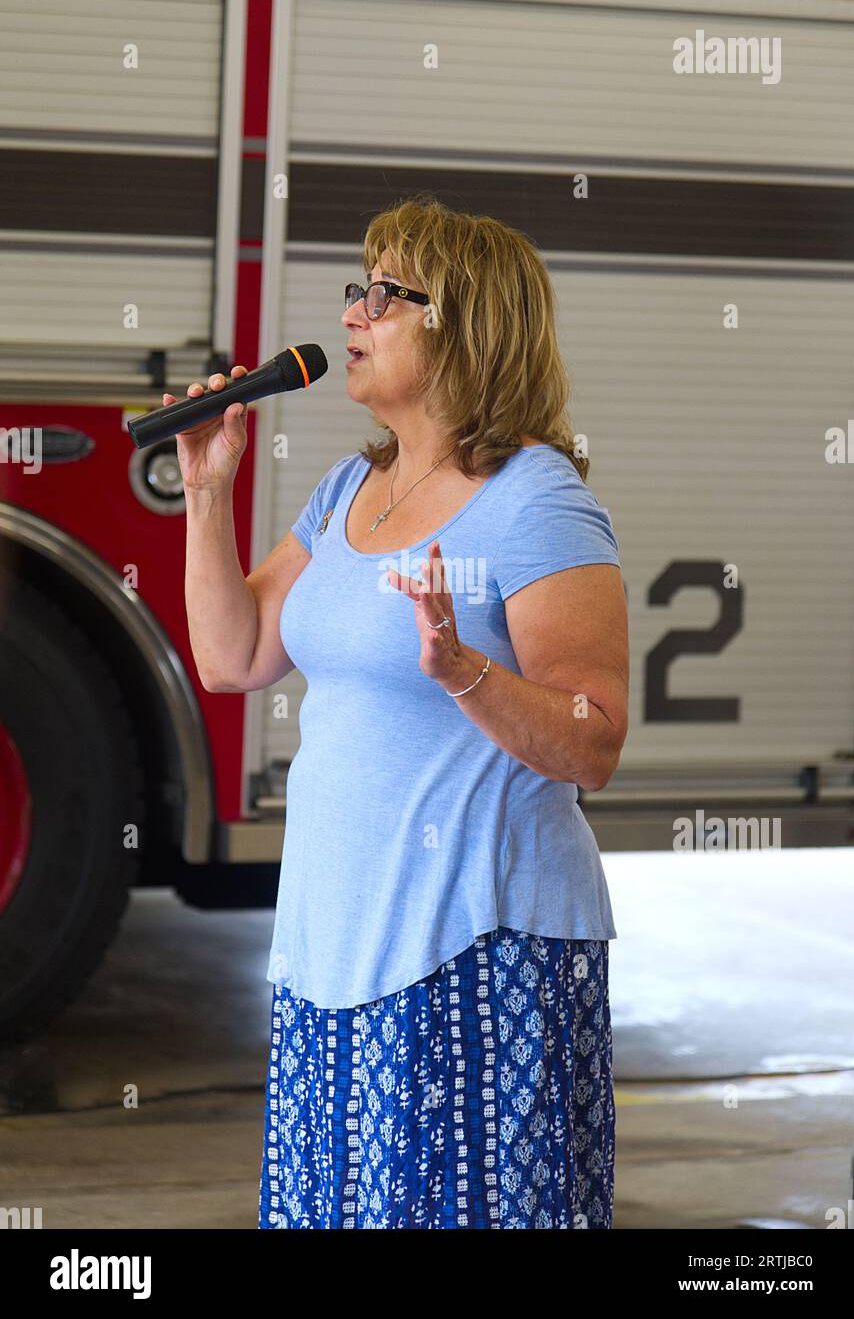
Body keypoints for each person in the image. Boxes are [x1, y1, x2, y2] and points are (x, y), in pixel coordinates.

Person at [168, 195, 629, 1229]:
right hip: (332, 955)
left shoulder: (532, 498)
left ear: (462, 321)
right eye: (355, 288)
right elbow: (231, 653)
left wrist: (464, 669)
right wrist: (208, 492)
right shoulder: (346, 492)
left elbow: (591, 738)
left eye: (385, 293)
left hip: (471, 951)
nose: (353, 312)